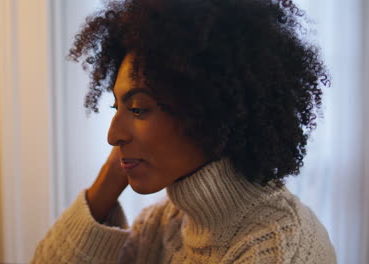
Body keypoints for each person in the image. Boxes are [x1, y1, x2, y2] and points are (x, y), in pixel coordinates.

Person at [32, 0, 337, 263]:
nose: (113, 136)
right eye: (117, 109)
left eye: (138, 108)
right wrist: (112, 174)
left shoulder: (282, 250)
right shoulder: (161, 225)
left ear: (211, 111)